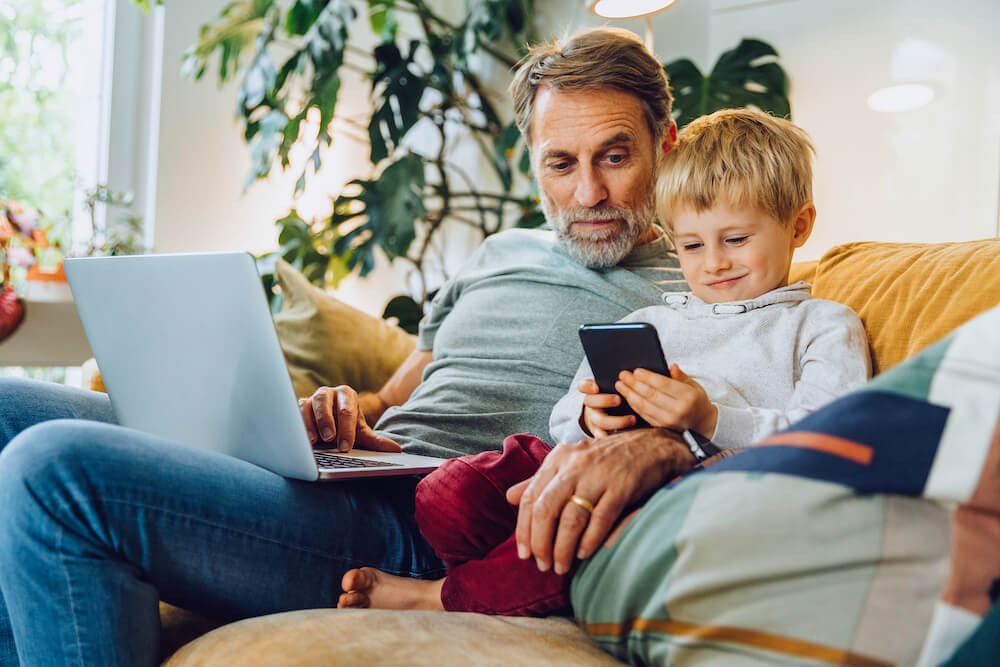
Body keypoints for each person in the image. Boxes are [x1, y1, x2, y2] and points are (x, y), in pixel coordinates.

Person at [0, 27, 698, 666]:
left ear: (665, 144)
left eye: (614, 156)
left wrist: (666, 444)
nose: (589, 191)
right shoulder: (500, 251)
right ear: (533, 162)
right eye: (561, 163)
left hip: (435, 528)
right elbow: (395, 399)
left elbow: (766, 426)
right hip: (356, 471)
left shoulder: (712, 287)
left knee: (52, 466)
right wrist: (337, 412)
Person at [335, 108, 871, 616]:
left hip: (684, 495)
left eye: (735, 239)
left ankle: (446, 598)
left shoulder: (822, 324)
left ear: (799, 227)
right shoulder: (653, 320)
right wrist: (592, 417)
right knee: (448, 494)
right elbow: (565, 416)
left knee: (593, 535)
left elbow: (826, 441)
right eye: (690, 246)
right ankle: (507, 580)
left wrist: (711, 421)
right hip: (581, 461)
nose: (714, 264)